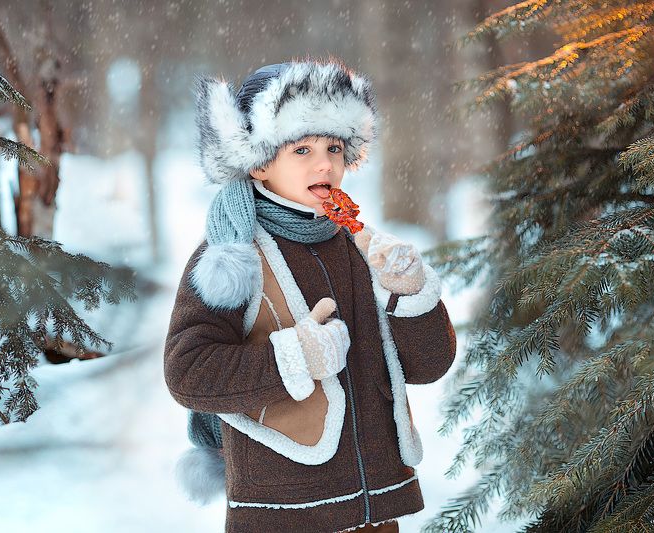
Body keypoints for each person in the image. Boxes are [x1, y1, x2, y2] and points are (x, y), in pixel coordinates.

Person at [164, 57, 456, 533]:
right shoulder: (230, 257)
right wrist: (292, 359)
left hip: (376, 510)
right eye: (302, 149)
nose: (325, 163)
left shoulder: (361, 249)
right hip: (286, 510)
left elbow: (427, 366)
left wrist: (414, 295)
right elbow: (188, 372)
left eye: (335, 147)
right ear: (259, 162)